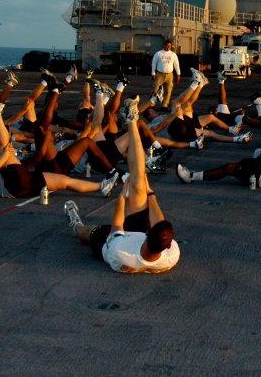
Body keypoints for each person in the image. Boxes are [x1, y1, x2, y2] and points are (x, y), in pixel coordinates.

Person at [68, 96, 180, 273]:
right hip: (142, 241)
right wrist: (150, 194)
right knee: (138, 182)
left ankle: (75, 225)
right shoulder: (172, 254)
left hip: (111, 242)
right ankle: (131, 120)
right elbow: (160, 222)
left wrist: (121, 198)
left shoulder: (120, 251)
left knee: (88, 233)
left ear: (148, 234)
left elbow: (117, 226)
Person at [151, 39, 180, 109]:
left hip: (170, 75)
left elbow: (176, 65)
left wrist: (178, 74)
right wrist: (153, 73)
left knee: (168, 90)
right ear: (164, 45)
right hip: (160, 74)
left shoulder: (173, 54)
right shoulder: (158, 53)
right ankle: (151, 104)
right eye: (167, 45)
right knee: (155, 89)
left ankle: (165, 105)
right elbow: (154, 63)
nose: (168, 47)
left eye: (170, 46)